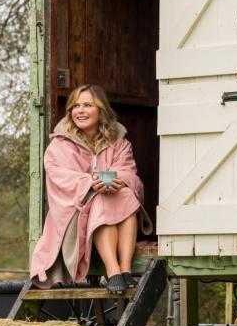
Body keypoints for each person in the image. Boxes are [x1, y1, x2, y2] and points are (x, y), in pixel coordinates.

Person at [29, 84, 149, 292]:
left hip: (114, 205)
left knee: (127, 194)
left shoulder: (119, 143)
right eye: (75, 106)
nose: (80, 111)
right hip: (75, 212)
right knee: (101, 198)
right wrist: (90, 183)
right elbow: (59, 177)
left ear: (100, 110)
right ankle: (113, 271)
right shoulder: (60, 145)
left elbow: (129, 171)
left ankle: (125, 270)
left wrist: (117, 180)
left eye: (87, 105)